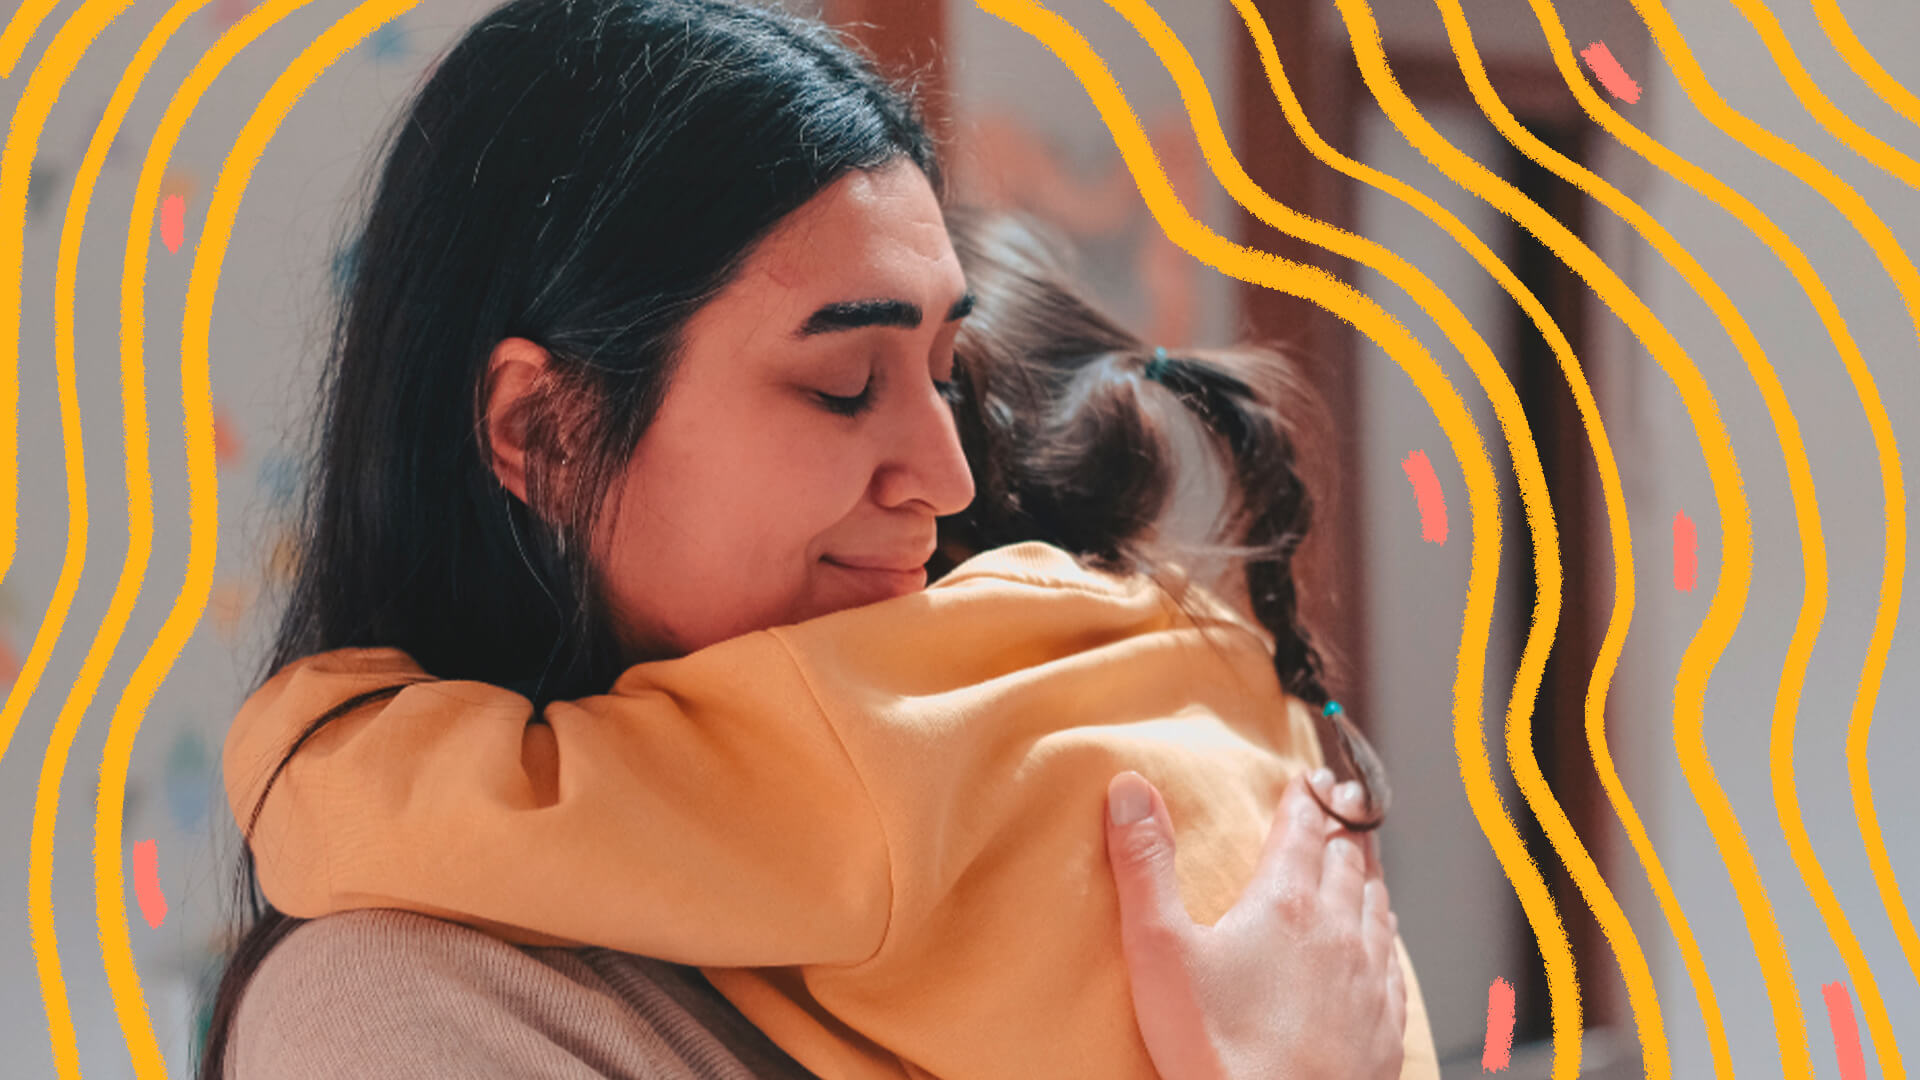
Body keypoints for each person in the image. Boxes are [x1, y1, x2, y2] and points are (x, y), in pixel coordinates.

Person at [200, 2, 1422, 1077]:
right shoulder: (391, 1009)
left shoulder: (863, 741)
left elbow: (386, 804)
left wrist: (321, 745)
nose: (946, 479)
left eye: (947, 374)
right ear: (543, 430)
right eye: (844, 385)